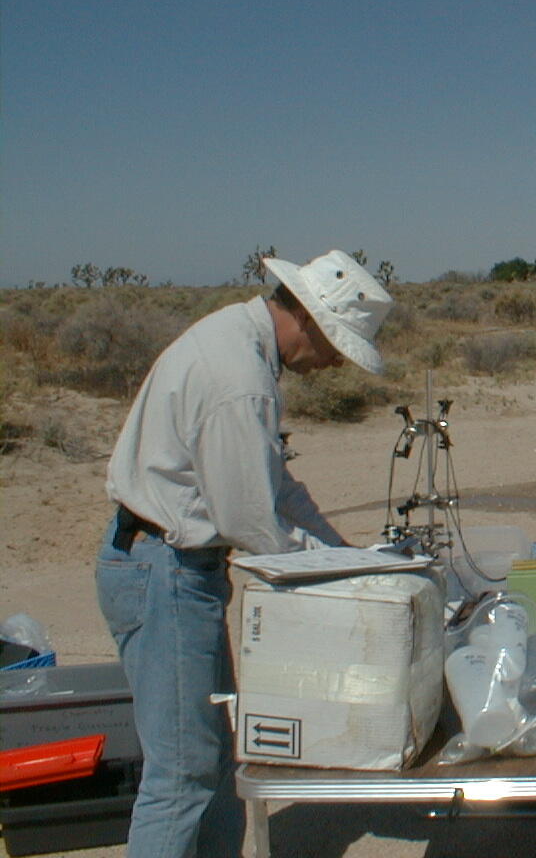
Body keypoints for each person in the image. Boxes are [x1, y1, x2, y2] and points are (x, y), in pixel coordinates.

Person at [95, 250, 394, 857]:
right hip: (166, 572)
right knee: (181, 775)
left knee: (206, 758)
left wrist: (345, 553)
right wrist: (344, 576)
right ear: (307, 318)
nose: (334, 361)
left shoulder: (237, 339)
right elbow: (253, 522)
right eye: (336, 345)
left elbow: (279, 487)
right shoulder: (241, 382)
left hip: (170, 566)